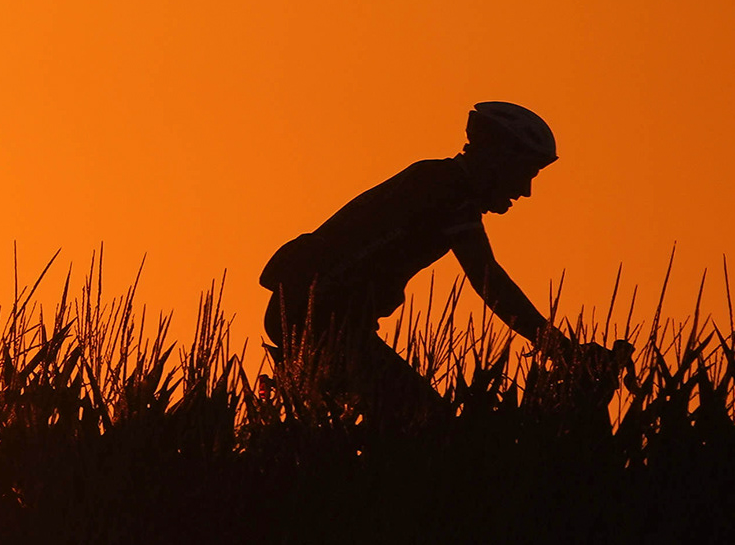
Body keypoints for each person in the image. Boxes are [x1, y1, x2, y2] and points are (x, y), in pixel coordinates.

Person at [259, 100, 607, 423]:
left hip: (317, 315)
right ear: (498, 160)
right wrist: (560, 348)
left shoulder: (439, 182)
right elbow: (490, 283)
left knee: (404, 421)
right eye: (526, 173)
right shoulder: (447, 191)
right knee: (428, 423)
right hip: (320, 320)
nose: (526, 190)